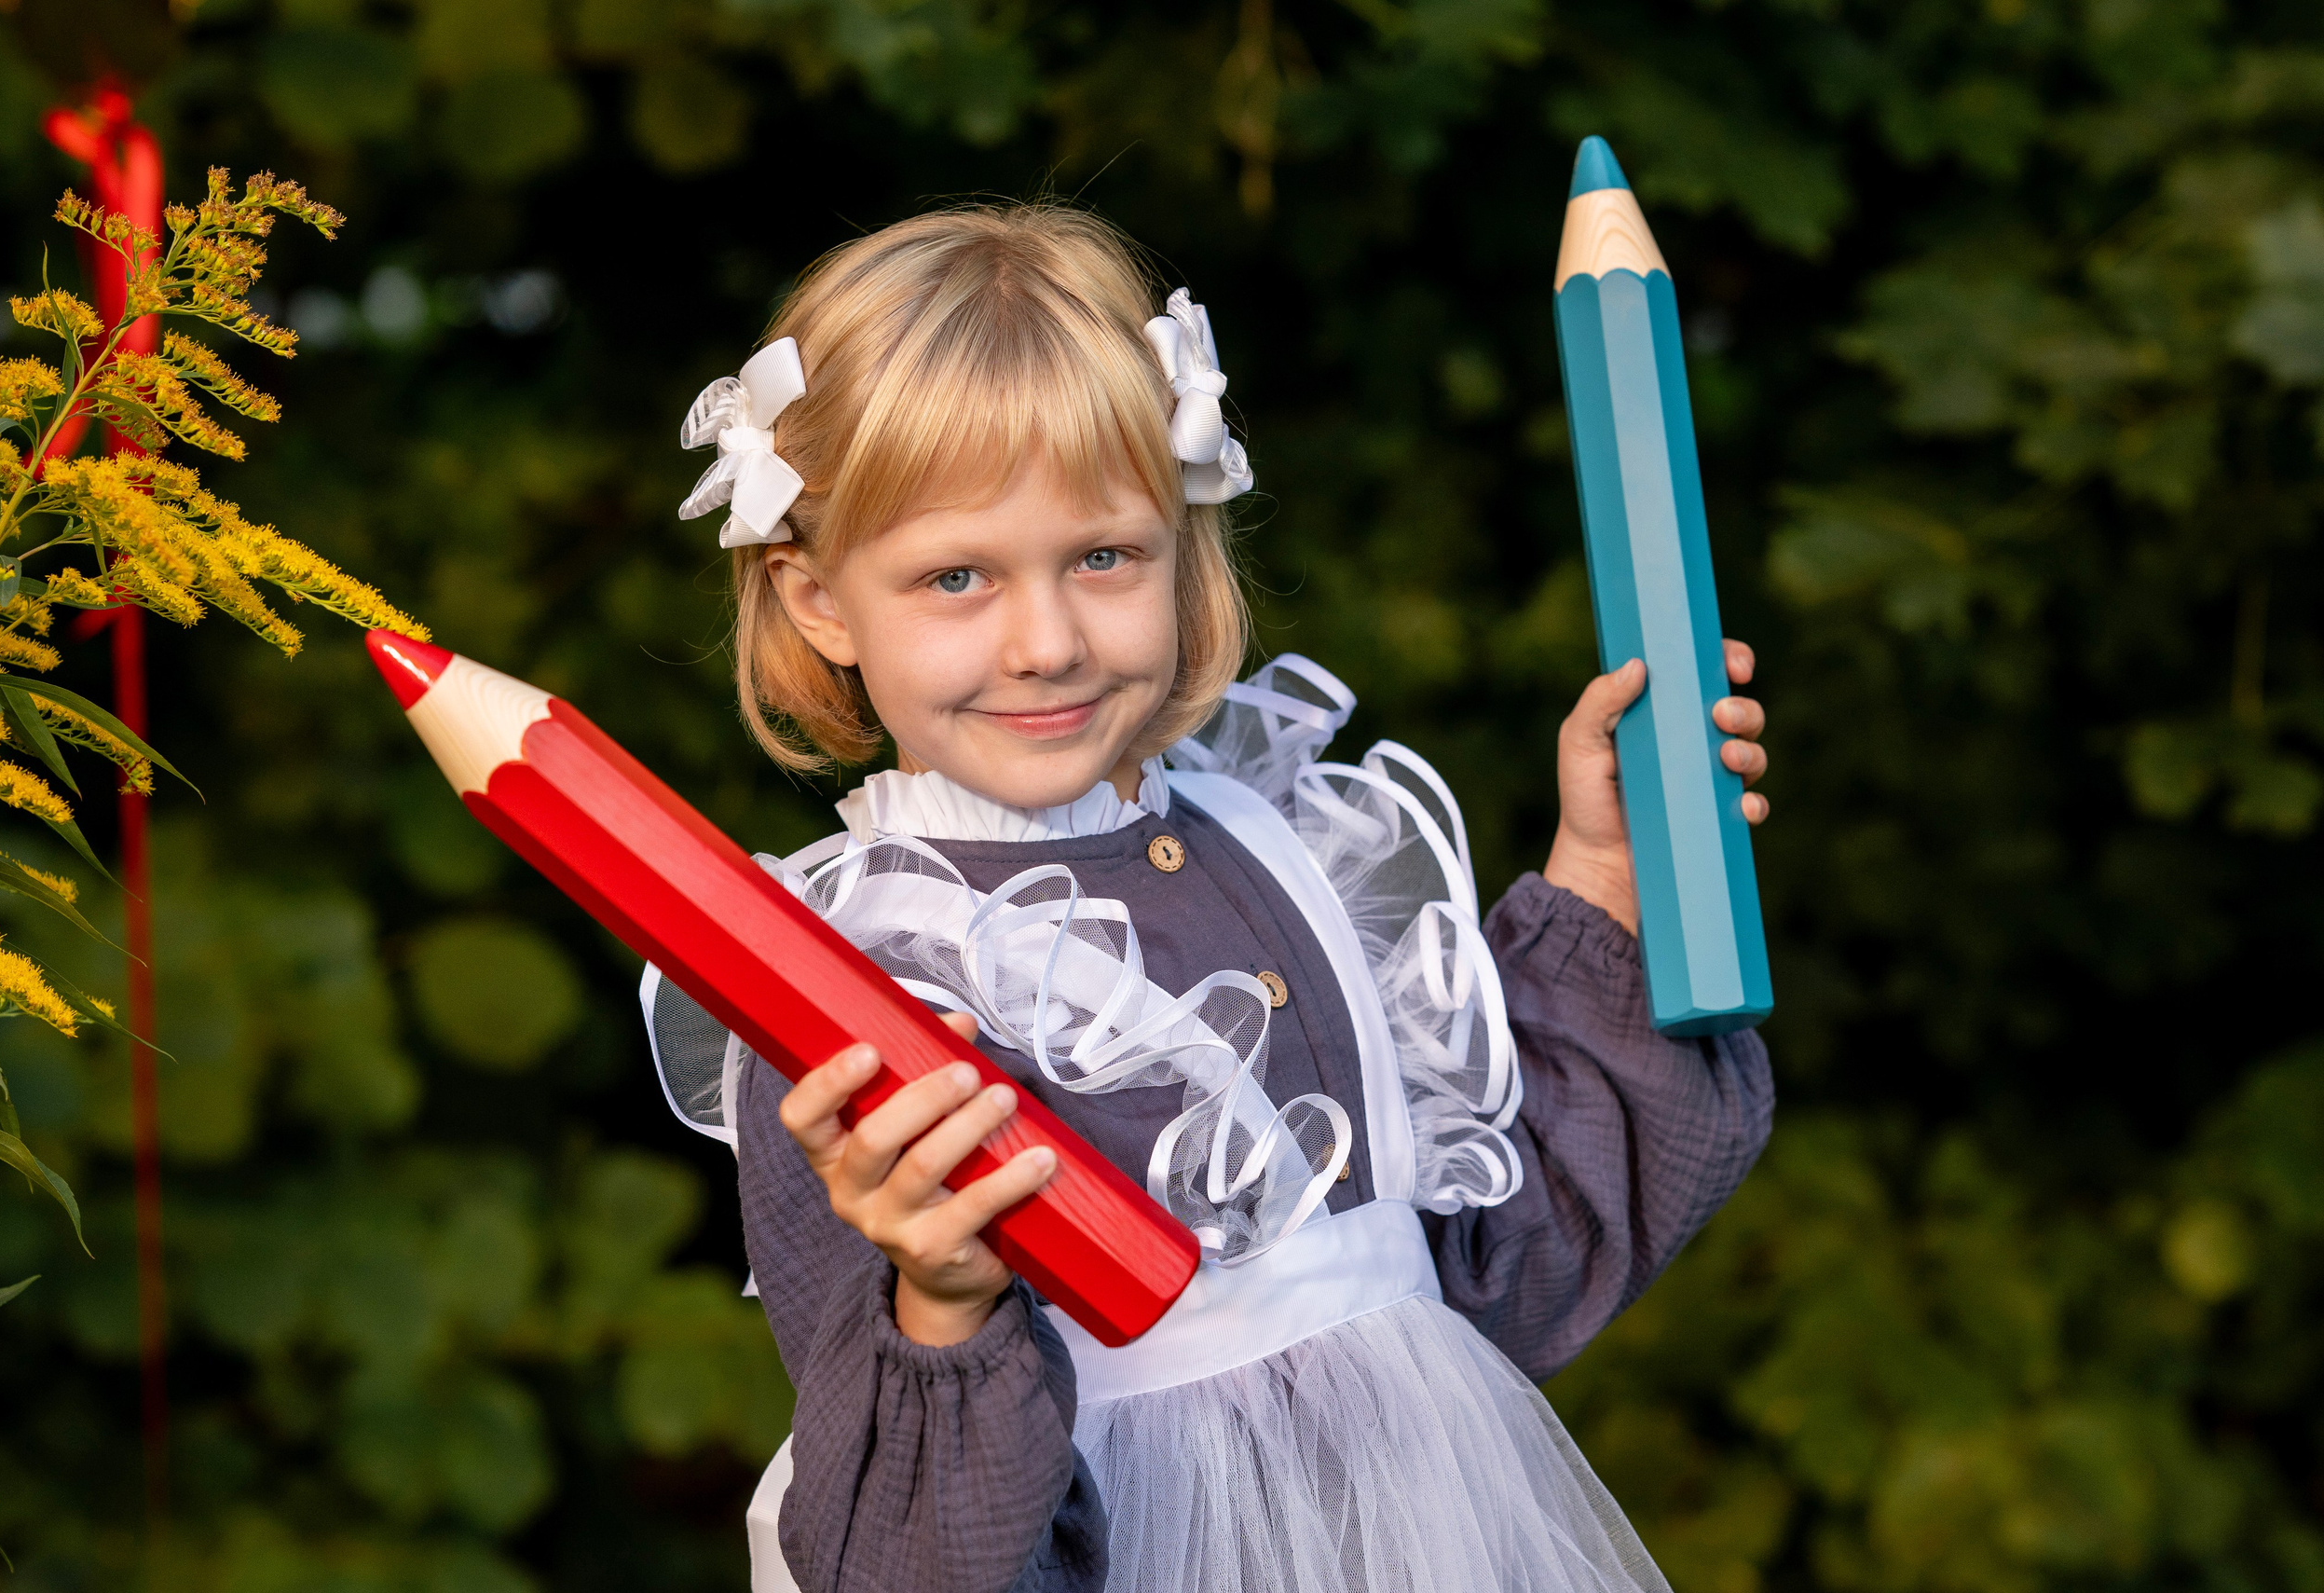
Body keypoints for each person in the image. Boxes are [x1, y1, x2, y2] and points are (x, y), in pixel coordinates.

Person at [639, 203, 1775, 1593]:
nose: (1046, 642)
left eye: (1103, 556)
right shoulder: (855, 988)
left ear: (1182, 540)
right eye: (957, 576)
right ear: (818, 598)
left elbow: (1509, 1279)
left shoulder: (1286, 844)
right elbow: (918, 1562)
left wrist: (1605, 872)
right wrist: (941, 1300)